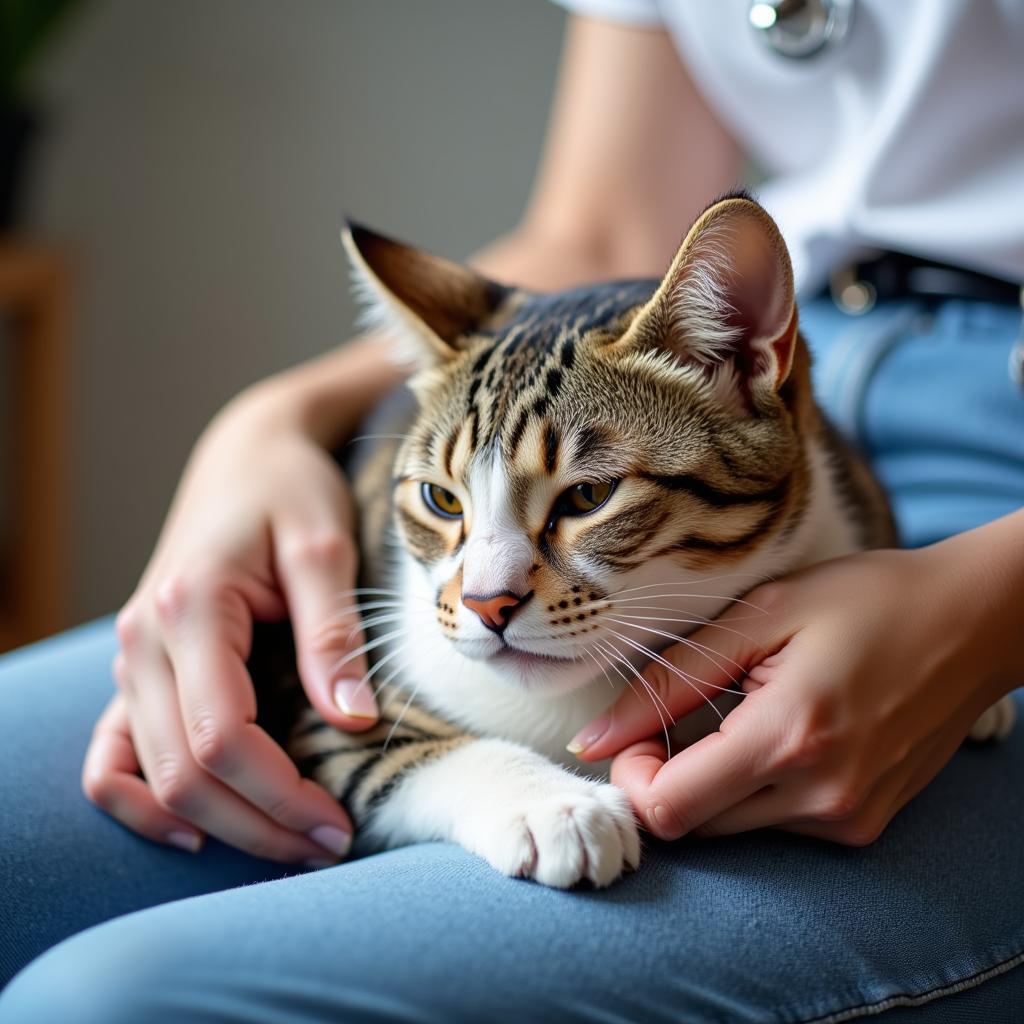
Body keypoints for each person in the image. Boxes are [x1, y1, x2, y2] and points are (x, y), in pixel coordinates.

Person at [2, 2, 1023, 1019]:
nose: (485, 593)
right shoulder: (520, 512)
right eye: (440, 504)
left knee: (111, 1003)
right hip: (687, 352)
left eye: (580, 500)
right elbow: (604, 223)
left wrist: (988, 613)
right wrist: (266, 420)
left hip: (974, 503)